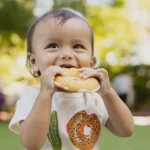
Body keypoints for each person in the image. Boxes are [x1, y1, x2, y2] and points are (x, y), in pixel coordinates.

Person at [9, 9, 134, 150]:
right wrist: (45, 94)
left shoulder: (95, 98)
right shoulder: (31, 96)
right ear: (33, 62)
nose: (67, 54)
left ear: (91, 63)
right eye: (53, 46)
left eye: (77, 46)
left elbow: (126, 130)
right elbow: (32, 143)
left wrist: (108, 93)